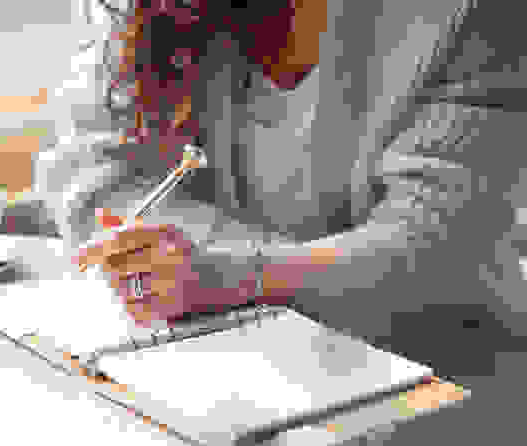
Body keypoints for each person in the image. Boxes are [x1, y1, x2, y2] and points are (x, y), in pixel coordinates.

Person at [36, 0, 527, 383]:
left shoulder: (469, 15)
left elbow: (436, 253)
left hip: (441, 374)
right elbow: (96, 188)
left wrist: (230, 275)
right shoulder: (146, 12)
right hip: (234, 368)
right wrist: (303, 274)